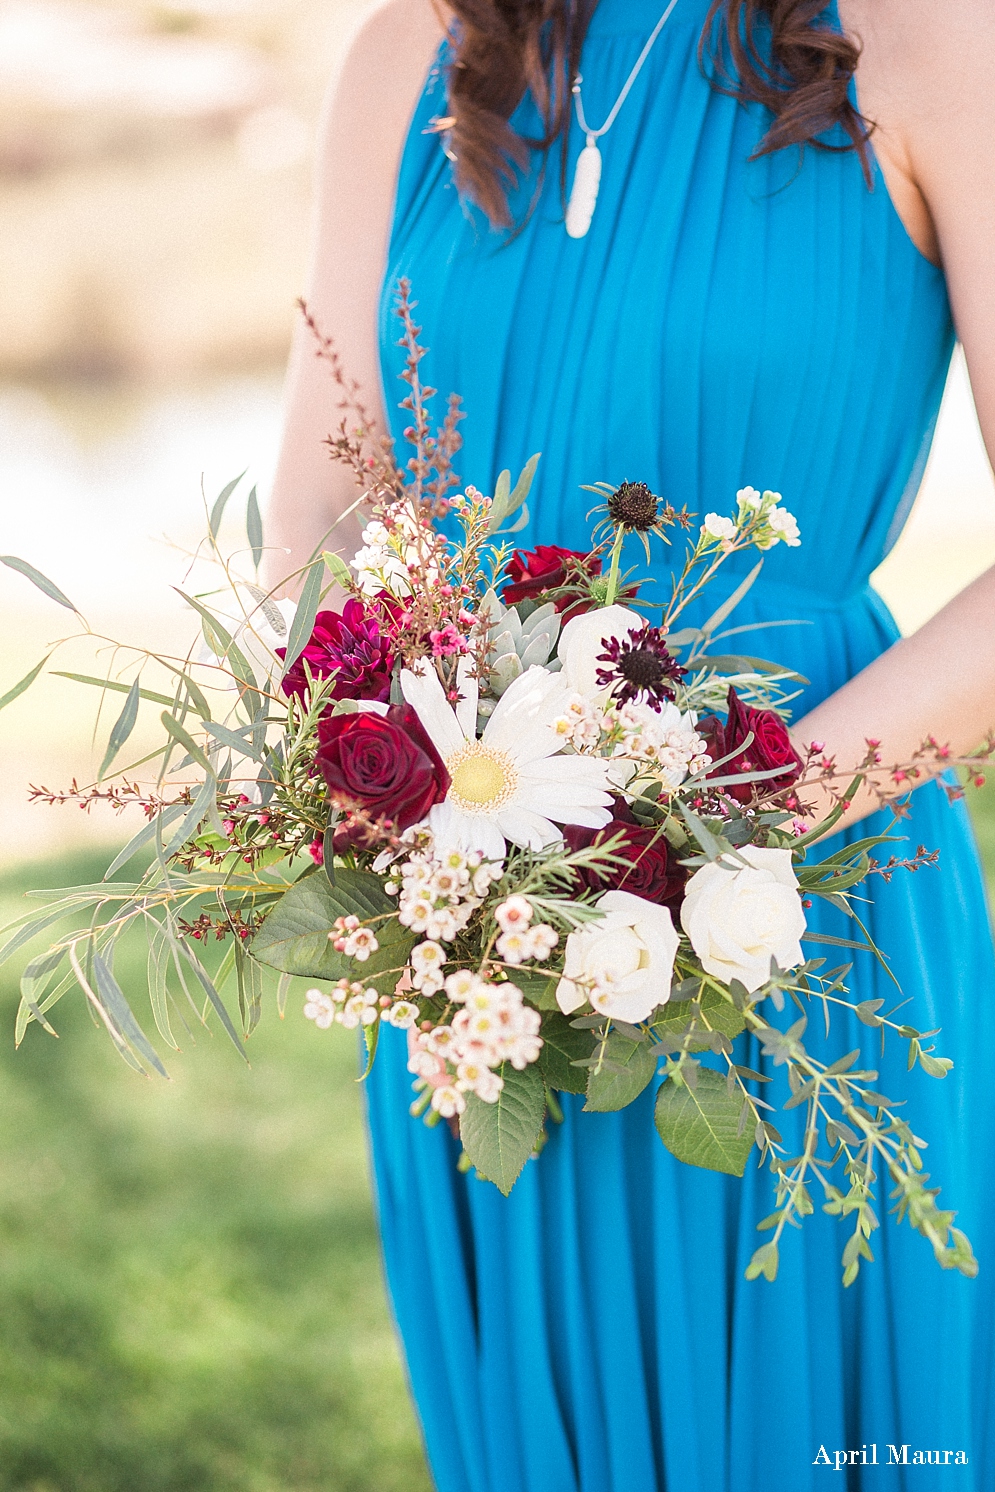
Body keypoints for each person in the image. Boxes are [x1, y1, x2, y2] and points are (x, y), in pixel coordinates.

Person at [267, 1, 995, 1487]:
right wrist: (379, 787)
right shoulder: (413, 46)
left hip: (801, 903)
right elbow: (325, 519)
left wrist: (713, 833)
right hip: (482, 939)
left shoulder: (939, 37)